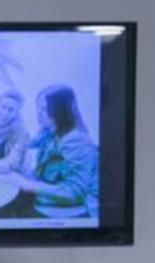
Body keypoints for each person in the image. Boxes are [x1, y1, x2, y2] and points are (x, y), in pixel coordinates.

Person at [6, 85, 98, 217]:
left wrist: (27, 184)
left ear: (62, 110)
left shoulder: (76, 140)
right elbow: (25, 145)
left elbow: (74, 193)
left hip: (65, 212)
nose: (38, 113)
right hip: (47, 200)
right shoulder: (49, 132)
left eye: (45, 109)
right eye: (38, 108)